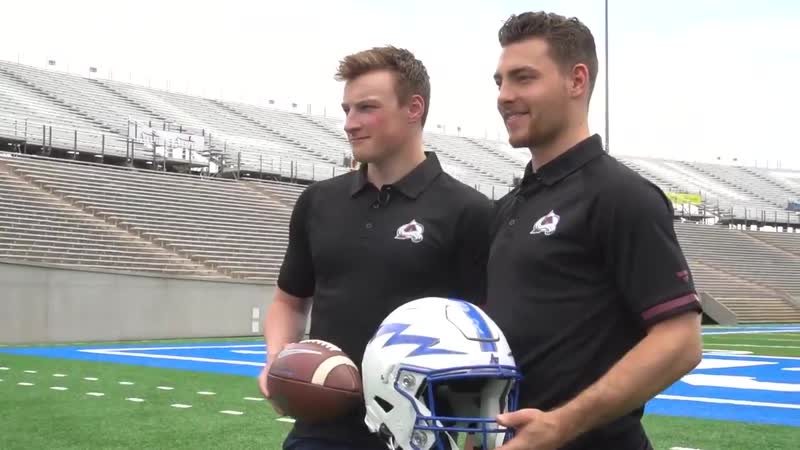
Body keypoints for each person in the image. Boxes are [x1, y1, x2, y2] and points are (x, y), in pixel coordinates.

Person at [483, 11, 704, 450]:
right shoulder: (509, 206)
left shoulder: (621, 195)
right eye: (499, 82)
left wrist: (562, 424)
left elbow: (680, 341)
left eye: (523, 78)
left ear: (577, 80)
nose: (505, 96)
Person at [257, 45, 494, 450]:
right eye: (347, 109)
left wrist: (473, 438)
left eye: (366, 108)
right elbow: (290, 301)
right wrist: (278, 359)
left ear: (413, 108)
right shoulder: (318, 201)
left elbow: (486, 338)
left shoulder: (469, 211)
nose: (350, 123)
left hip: (419, 434)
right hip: (319, 429)